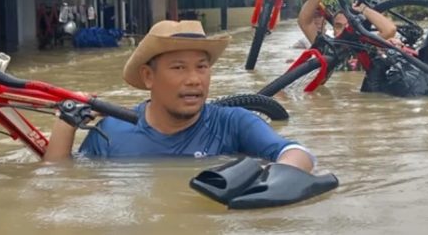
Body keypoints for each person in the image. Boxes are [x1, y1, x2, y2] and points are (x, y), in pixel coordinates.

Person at [45, 20, 315, 172]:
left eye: (202, 66)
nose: (194, 79)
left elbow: (296, 153)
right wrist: (65, 124)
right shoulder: (111, 132)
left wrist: (271, 184)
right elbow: (62, 185)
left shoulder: (233, 123)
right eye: (178, 67)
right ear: (148, 76)